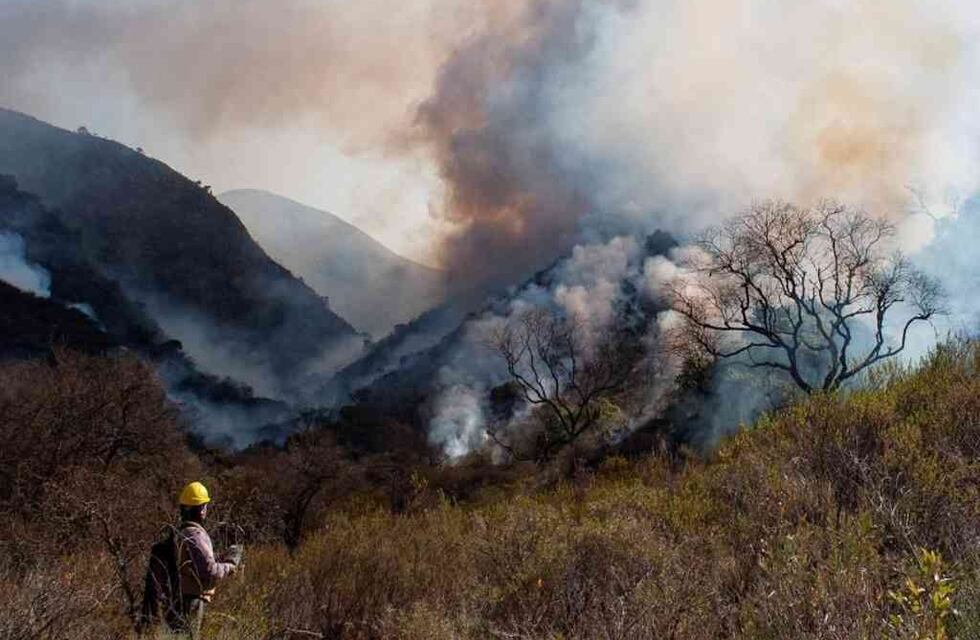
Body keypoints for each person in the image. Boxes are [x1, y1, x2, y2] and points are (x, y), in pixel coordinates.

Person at [173, 481, 242, 637]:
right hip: (192, 600)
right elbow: (209, 570)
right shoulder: (195, 535)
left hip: (178, 598)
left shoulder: (181, 532)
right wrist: (229, 566)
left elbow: (196, 563)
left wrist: (220, 558)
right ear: (202, 509)